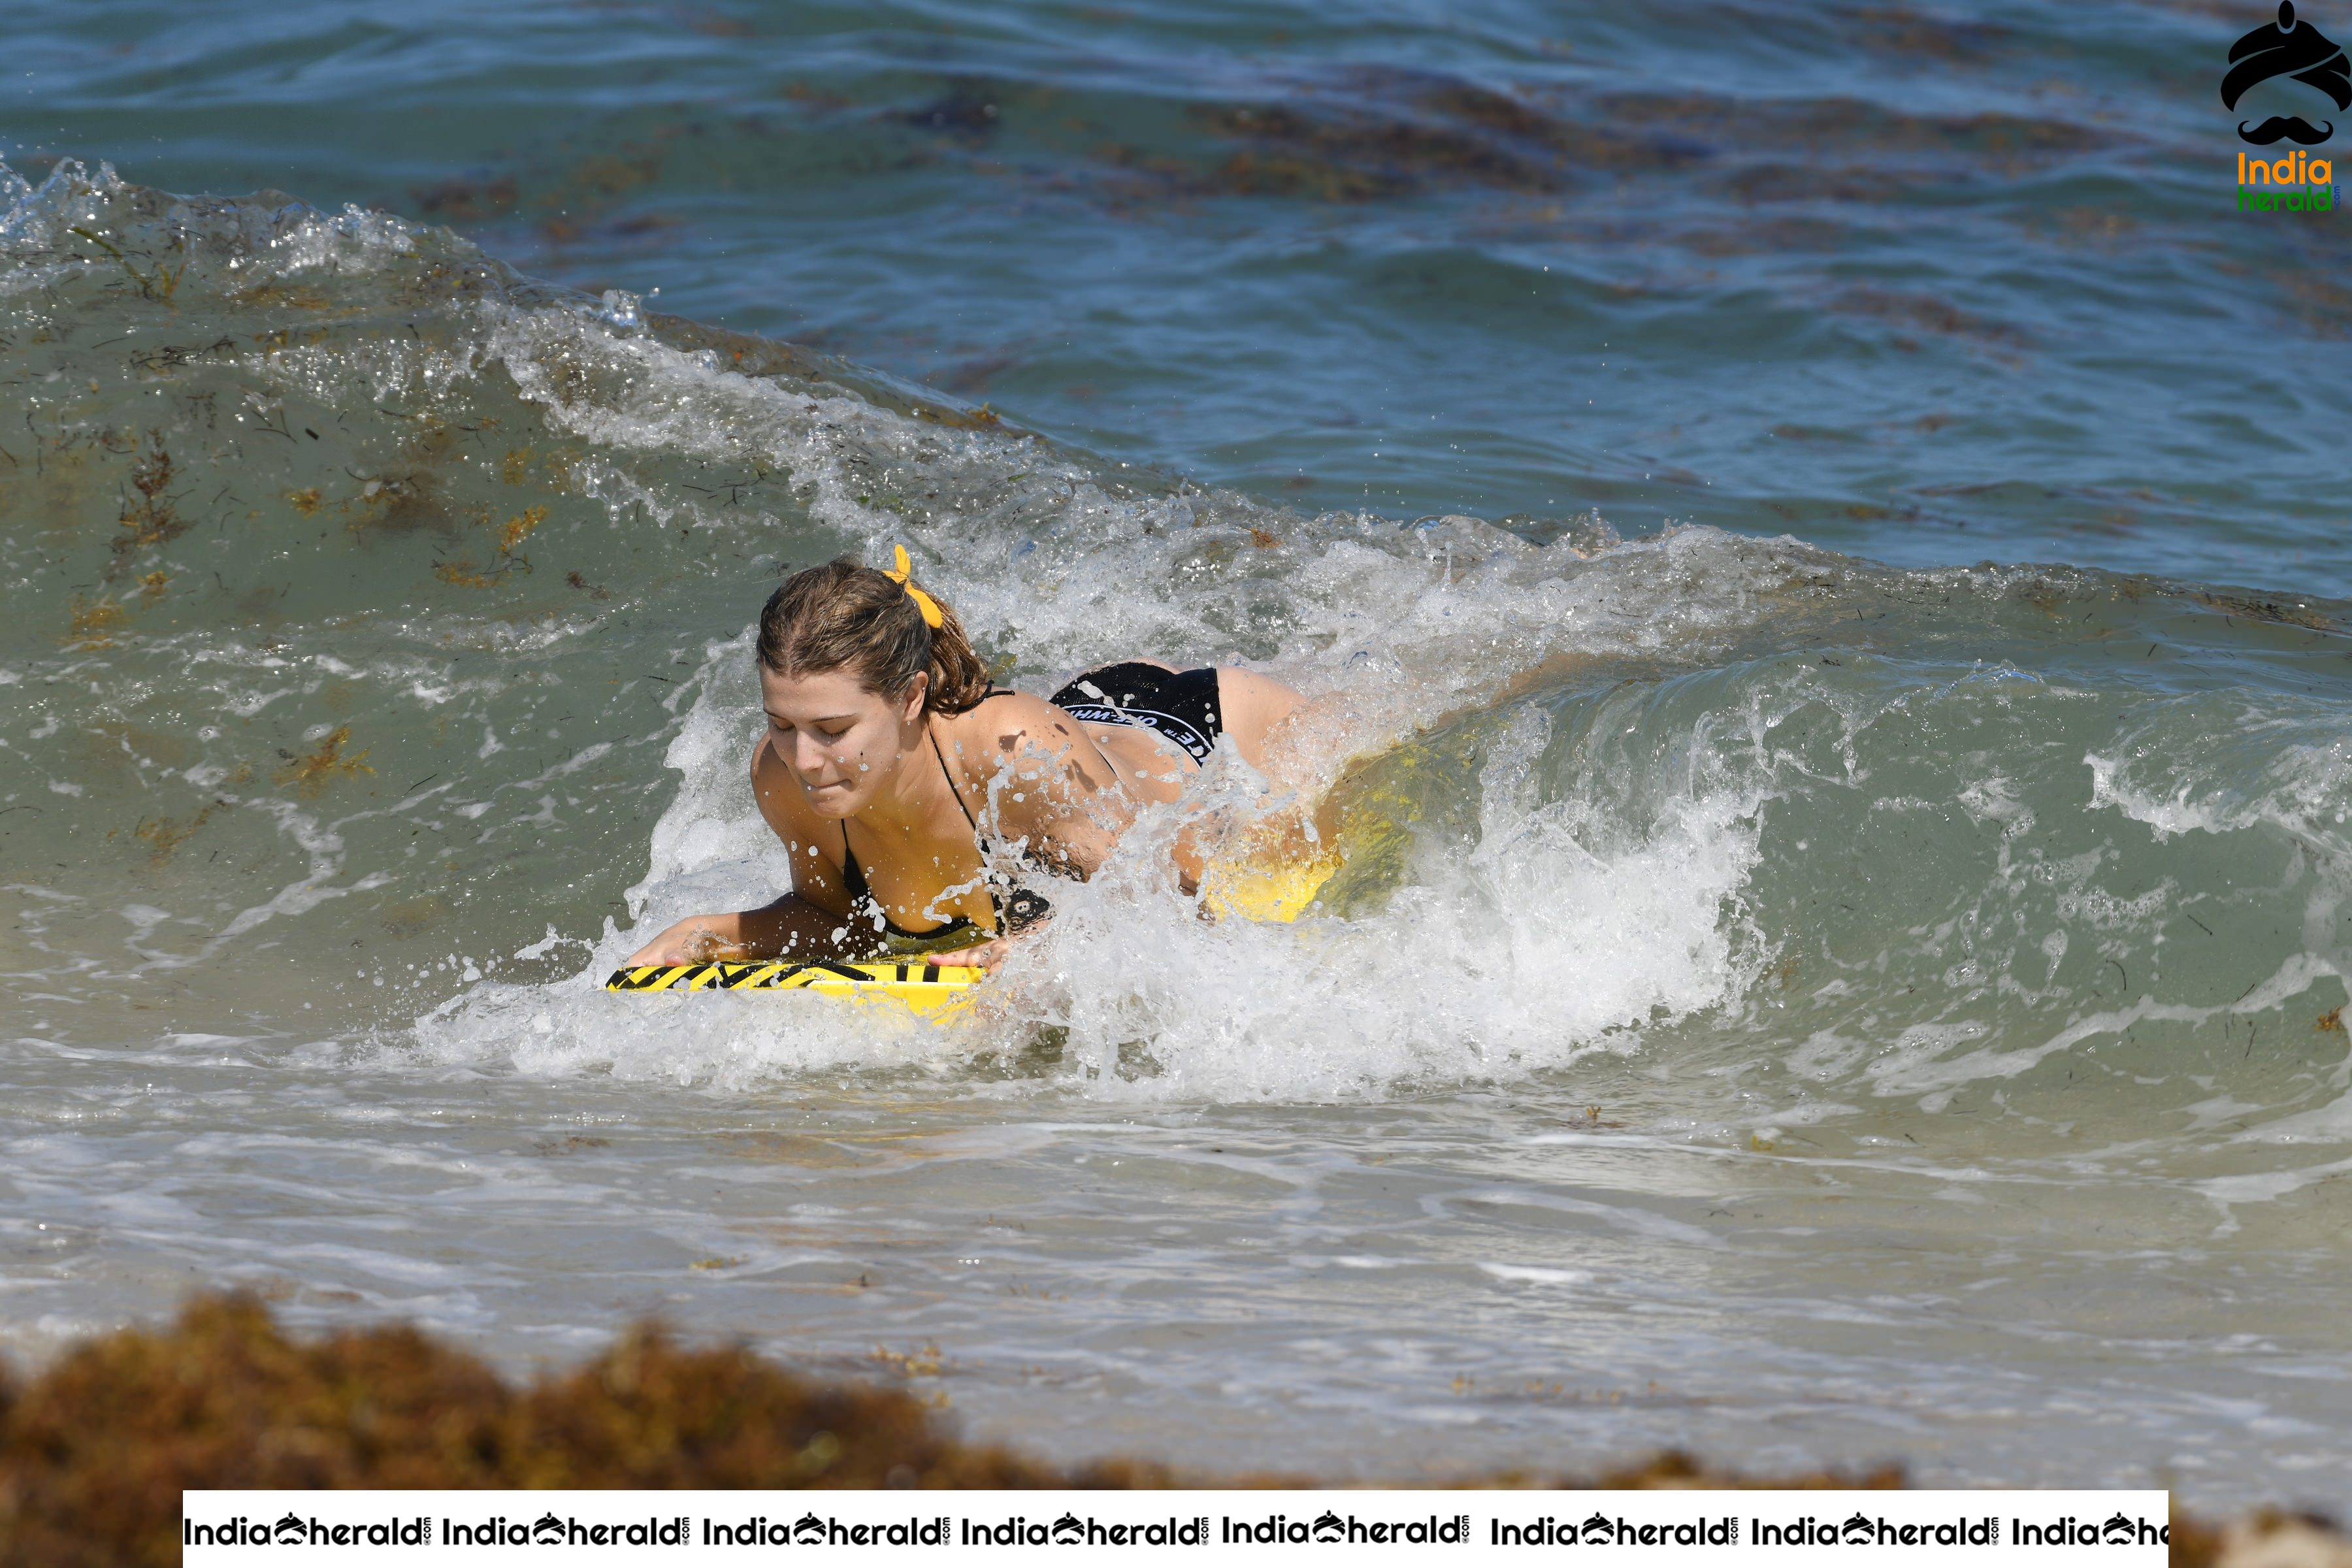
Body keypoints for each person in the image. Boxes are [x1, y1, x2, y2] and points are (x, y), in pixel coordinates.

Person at [621, 547, 1309, 971]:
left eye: (831, 729)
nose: (804, 759)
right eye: (781, 725)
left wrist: (1044, 952)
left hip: (1212, 733)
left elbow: (1169, 904)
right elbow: (839, 923)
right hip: (1090, 718)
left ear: (912, 696)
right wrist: (714, 933)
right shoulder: (780, 776)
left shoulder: (1011, 755)